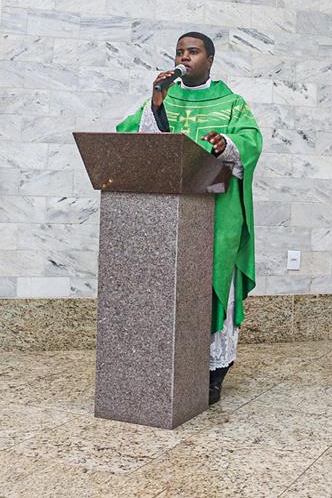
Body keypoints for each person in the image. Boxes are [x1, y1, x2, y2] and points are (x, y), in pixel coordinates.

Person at [116, 32, 262, 405]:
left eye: (193, 52)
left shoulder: (231, 103)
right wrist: (156, 104)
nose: (184, 57)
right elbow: (131, 138)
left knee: (214, 285)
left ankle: (213, 372)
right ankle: (168, 364)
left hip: (218, 211)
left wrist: (227, 145)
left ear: (210, 60)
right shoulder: (163, 97)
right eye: (180, 51)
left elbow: (252, 141)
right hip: (170, 214)